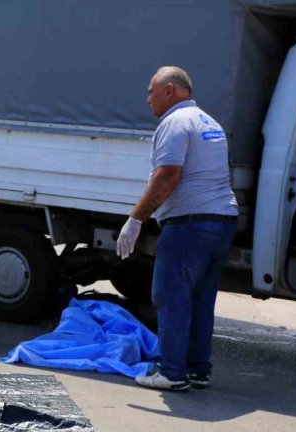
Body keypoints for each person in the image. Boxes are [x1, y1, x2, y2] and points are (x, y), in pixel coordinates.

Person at [116, 66, 238, 391]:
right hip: (220, 222)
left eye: (151, 91)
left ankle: (171, 372)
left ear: (170, 90)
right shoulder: (209, 122)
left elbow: (168, 175)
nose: (148, 100)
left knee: (170, 296)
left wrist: (136, 219)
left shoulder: (175, 122)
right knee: (199, 300)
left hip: (190, 225)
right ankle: (198, 369)